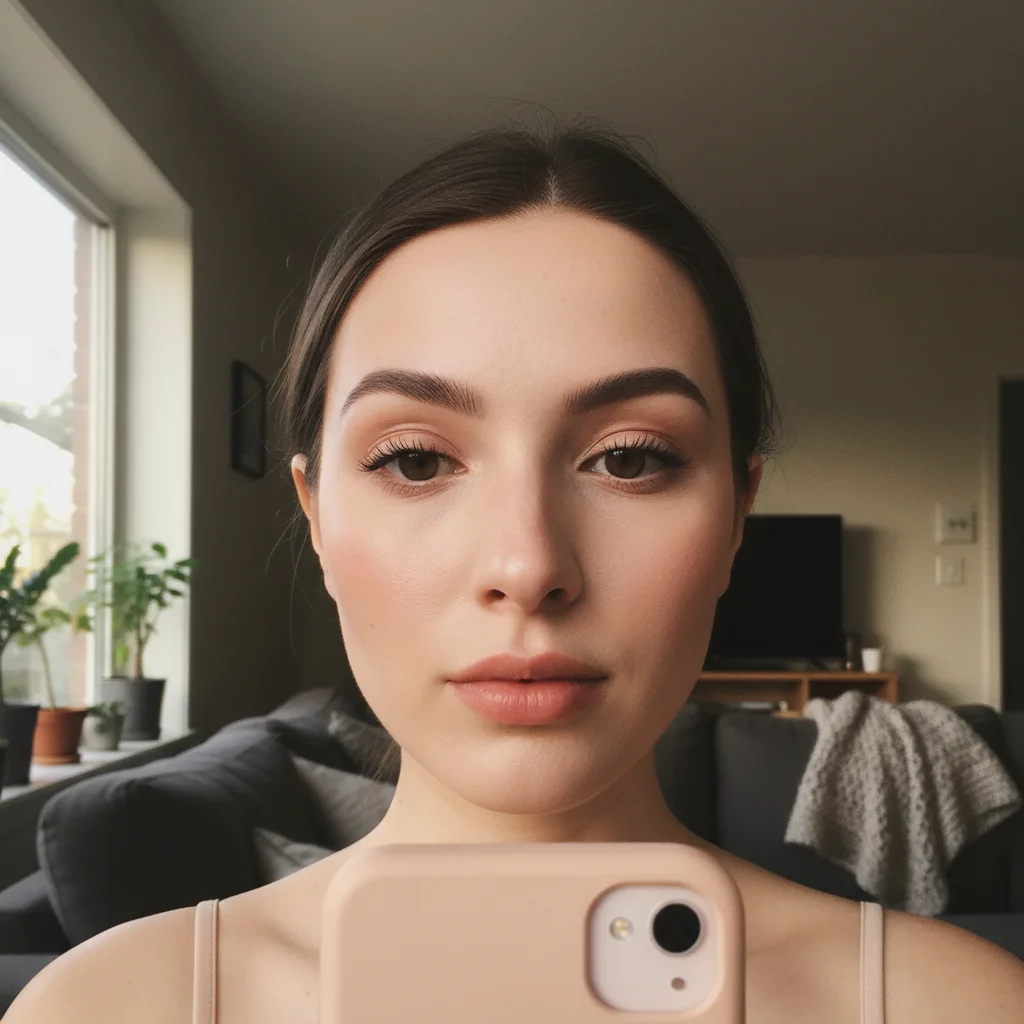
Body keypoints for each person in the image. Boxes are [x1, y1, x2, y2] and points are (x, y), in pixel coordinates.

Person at [8, 121, 1024, 1024]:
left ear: (734, 519)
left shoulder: (955, 1006)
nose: (527, 566)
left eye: (631, 458)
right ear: (316, 516)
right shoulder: (109, 1008)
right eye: (416, 460)